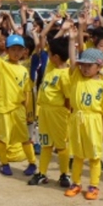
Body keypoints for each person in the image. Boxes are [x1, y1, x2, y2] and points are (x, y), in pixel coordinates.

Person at [65, 30, 103, 200]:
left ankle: (93, 186)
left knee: (94, 155)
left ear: (99, 66)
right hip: (77, 118)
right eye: (83, 65)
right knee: (78, 154)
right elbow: (72, 61)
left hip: (94, 121)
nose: (85, 68)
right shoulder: (77, 77)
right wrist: (72, 40)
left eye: (90, 65)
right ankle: (76, 183)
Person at [0, 26, 37, 176]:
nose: (16, 53)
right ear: (7, 50)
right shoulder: (2, 64)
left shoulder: (23, 70)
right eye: (13, 49)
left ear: (24, 51)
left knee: (24, 138)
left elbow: (26, 92)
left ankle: (32, 163)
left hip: (18, 109)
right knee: (3, 139)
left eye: (19, 49)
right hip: (3, 108)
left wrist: (28, 111)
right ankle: (4, 164)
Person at [27, 37, 72, 187]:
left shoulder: (65, 74)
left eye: (50, 53)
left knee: (61, 145)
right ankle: (42, 173)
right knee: (46, 143)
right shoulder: (51, 69)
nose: (48, 54)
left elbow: (68, 98)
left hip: (59, 113)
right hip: (45, 112)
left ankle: (64, 174)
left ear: (56, 57)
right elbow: (48, 45)